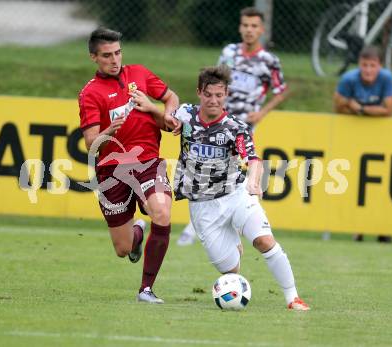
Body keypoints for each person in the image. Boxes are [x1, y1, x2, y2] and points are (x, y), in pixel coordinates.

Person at [167, 66, 309, 310]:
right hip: (202, 207)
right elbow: (165, 116)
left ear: (226, 95)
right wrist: (161, 113)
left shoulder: (235, 127)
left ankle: (292, 297)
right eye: (208, 94)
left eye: (219, 95)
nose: (213, 100)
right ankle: (234, 243)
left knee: (264, 241)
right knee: (230, 269)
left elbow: (253, 160)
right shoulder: (185, 115)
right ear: (199, 92)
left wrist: (254, 182)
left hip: (236, 194)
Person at [78, 28, 179, 303]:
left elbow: (171, 97)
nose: (115, 59)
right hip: (112, 171)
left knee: (161, 212)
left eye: (118, 52)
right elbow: (90, 143)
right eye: (107, 55)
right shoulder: (90, 93)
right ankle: (137, 232)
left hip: (147, 161)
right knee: (123, 249)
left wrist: (165, 114)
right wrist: (109, 130)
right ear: (94, 57)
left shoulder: (140, 74)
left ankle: (146, 289)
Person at [177, 7, 288, 246]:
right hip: (214, 122)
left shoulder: (269, 61)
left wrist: (262, 112)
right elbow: (214, 79)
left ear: (261, 29)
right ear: (240, 27)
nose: (249, 30)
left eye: (254, 26)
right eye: (245, 25)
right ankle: (202, 226)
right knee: (208, 171)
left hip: (242, 125)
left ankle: (244, 225)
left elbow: (280, 91)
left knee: (236, 175)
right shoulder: (229, 52)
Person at [334, 45, 392, 243]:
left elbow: (387, 110)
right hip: (354, 137)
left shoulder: (386, 78)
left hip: (381, 138)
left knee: (380, 184)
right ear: (359, 65)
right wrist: (368, 110)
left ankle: (383, 229)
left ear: (380, 66)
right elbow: (339, 107)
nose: (368, 70)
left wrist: (358, 108)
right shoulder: (349, 79)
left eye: (372, 66)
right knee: (356, 184)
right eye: (364, 66)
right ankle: (358, 228)